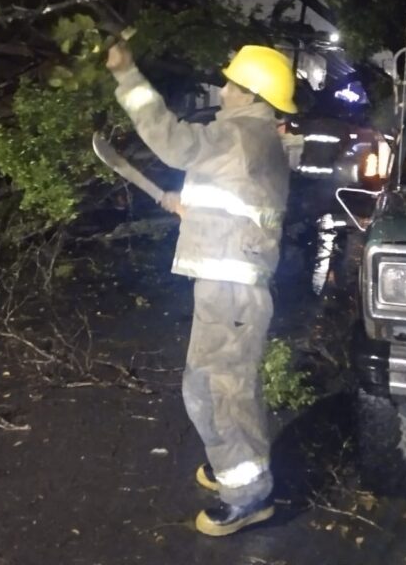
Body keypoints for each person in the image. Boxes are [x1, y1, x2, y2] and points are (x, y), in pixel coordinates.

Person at [106, 39, 297, 536]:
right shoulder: (255, 140)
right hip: (226, 286)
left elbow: (170, 140)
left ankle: (249, 494)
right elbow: (239, 202)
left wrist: (128, 74)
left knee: (224, 389)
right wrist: (188, 208)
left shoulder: (237, 133)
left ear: (247, 91)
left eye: (230, 82)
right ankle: (231, 464)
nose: (223, 88)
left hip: (232, 289)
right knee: (203, 384)